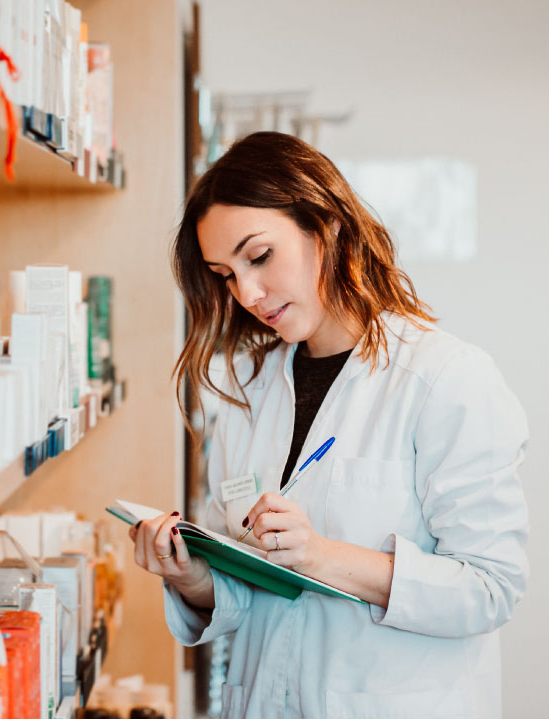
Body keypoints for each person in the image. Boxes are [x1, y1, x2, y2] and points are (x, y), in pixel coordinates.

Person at [129, 132, 529, 718]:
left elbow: (490, 588)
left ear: (327, 224)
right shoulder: (249, 388)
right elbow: (254, 586)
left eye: (259, 256)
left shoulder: (444, 379)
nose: (248, 293)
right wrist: (192, 576)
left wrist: (319, 555)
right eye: (225, 274)